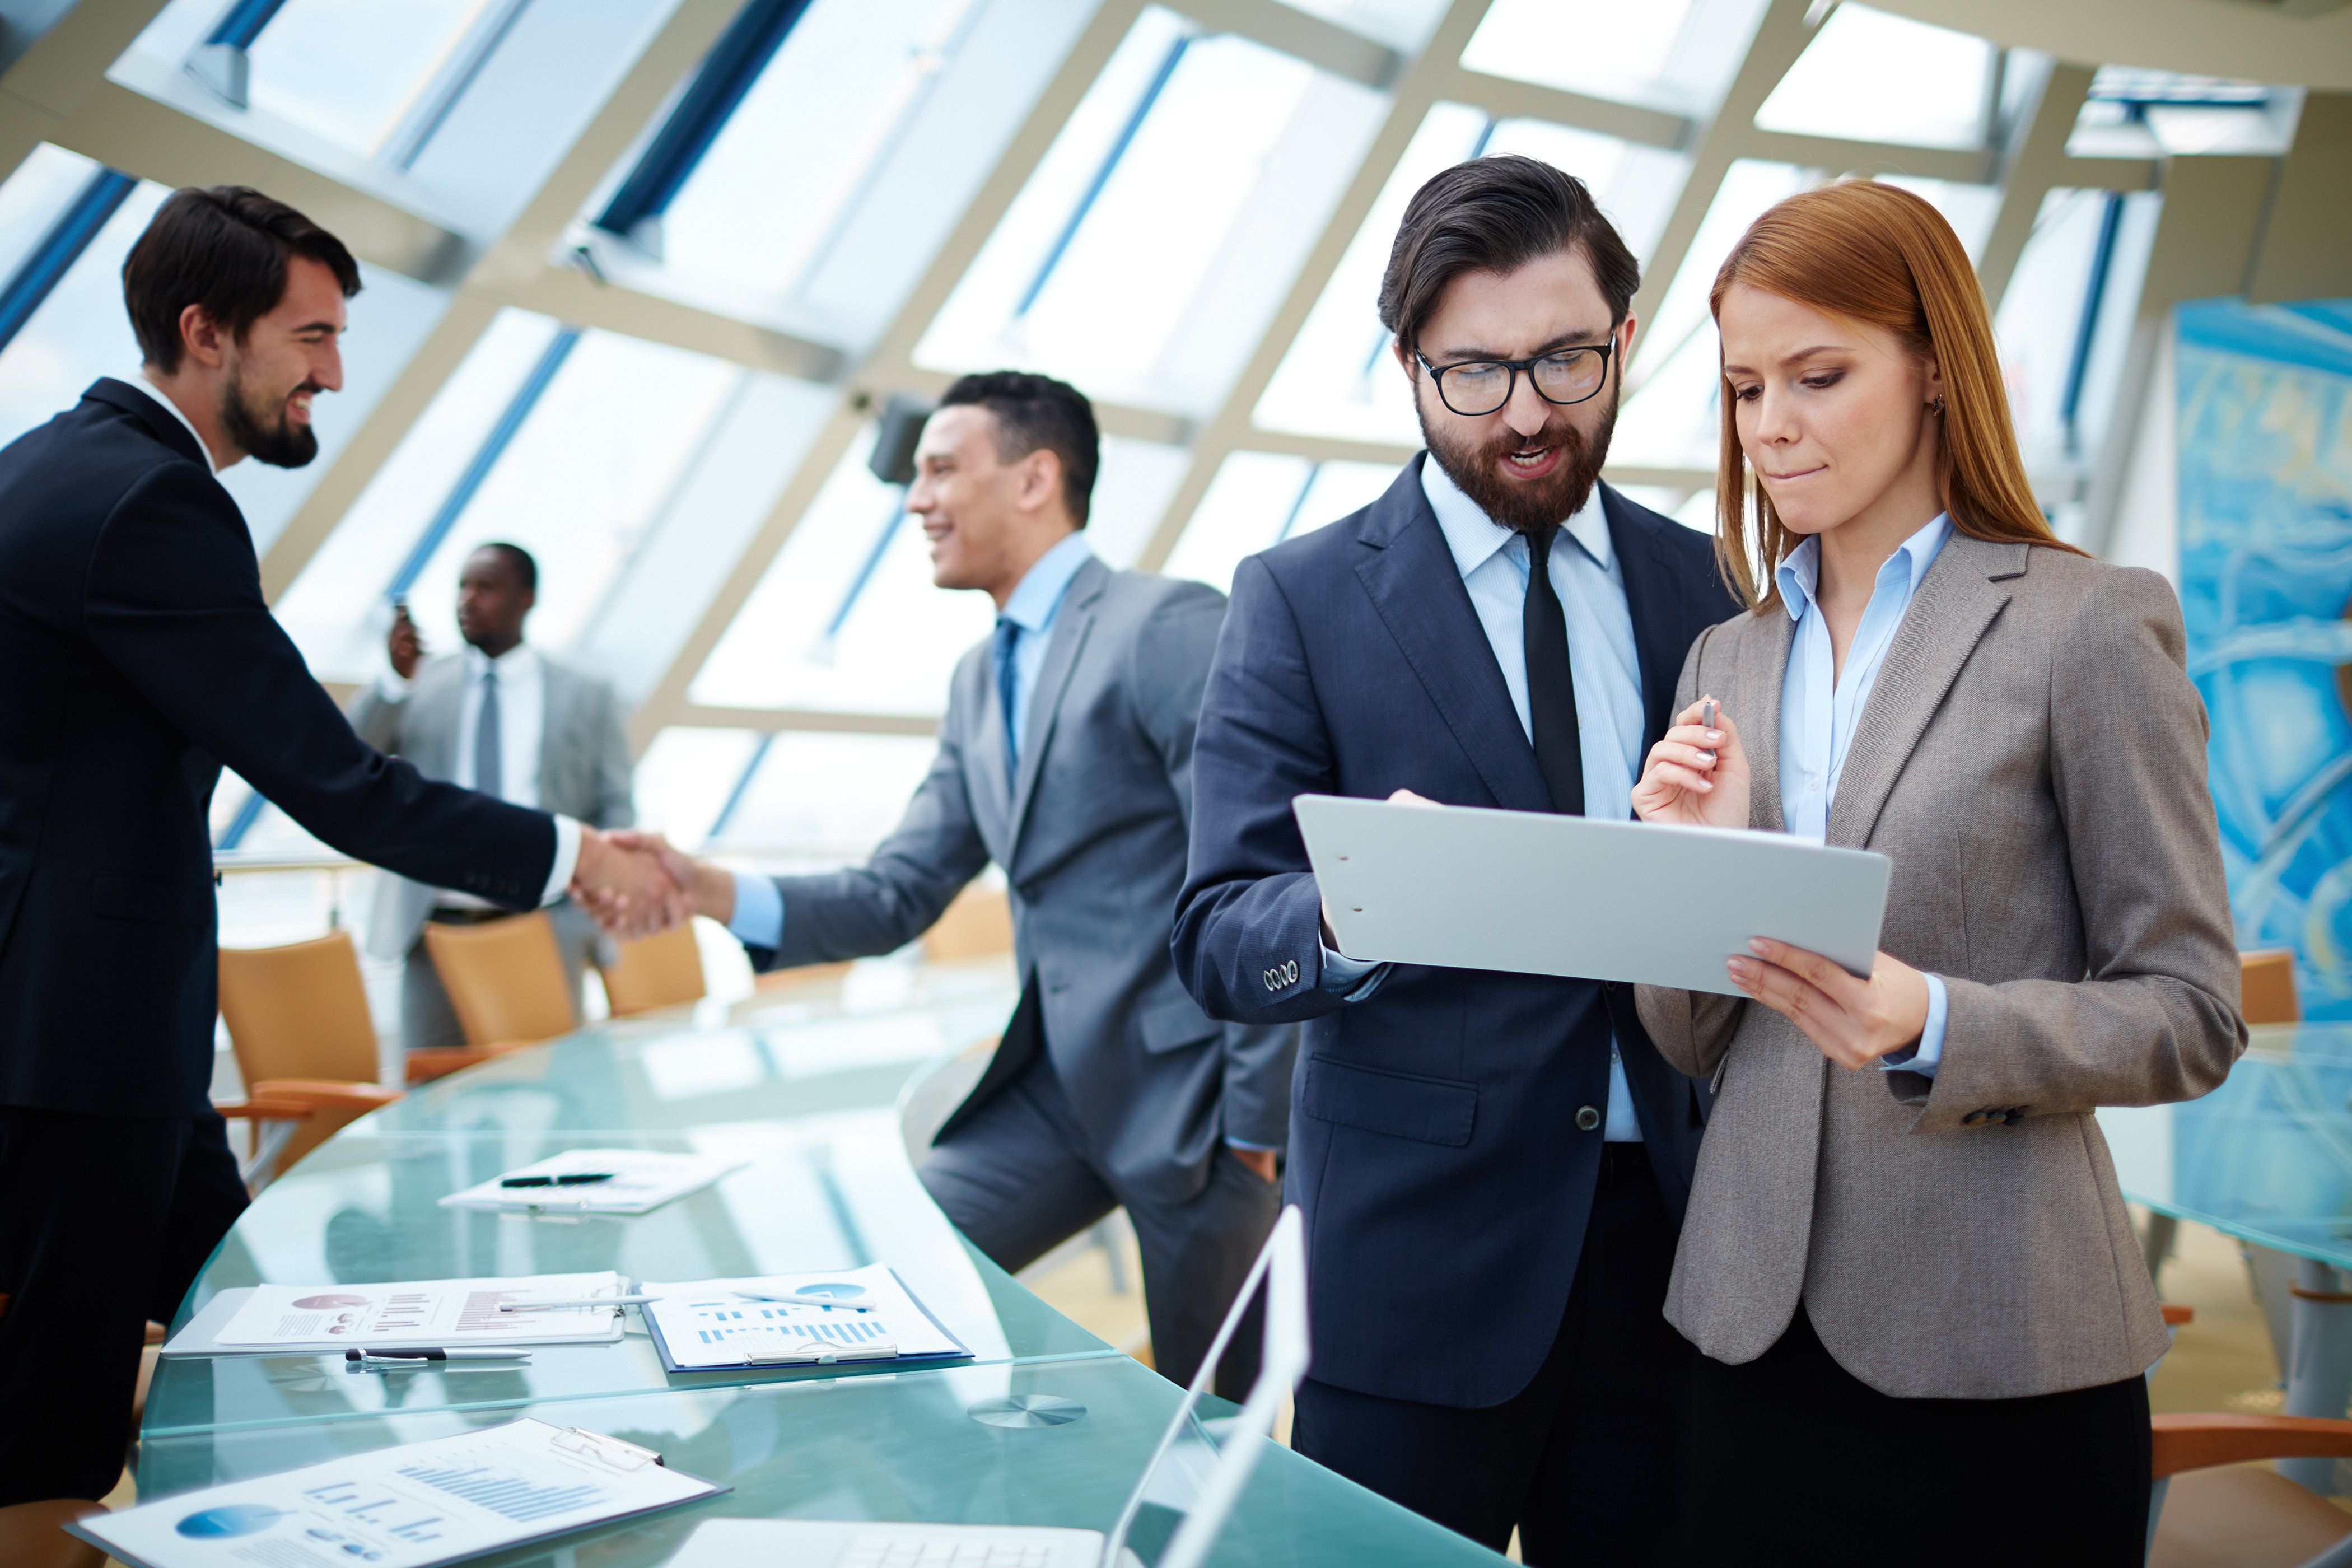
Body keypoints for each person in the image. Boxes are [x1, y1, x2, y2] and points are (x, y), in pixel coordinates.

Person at [0, 185, 675, 1507]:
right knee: (56, 1425)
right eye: (308, 338)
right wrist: (575, 853)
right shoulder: (153, 505)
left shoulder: (41, 464)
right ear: (207, 332)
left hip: (104, 1028)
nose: (335, 372)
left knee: (263, 1320)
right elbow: (343, 788)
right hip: (74, 1044)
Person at [1627, 180, 2243, 1565]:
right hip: (1747, 1326)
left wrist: (1938, 1020)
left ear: (1931, 369)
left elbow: (2192, 1009)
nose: (1772, 424)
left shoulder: (2086, 624)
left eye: (1819, 374)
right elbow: (1693, 1039)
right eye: (1742, 388)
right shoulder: (1728, 658)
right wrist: (1695, 873)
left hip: (2002, 1338)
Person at [1170, 155, 1740, 1563]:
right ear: (1406, 363)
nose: (1531, 412)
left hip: (1680, 1253)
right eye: (1475, 372)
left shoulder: (1713, 588)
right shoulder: (1299, 600)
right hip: (1416, 1271)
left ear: (1625, 334)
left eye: (1566, 359)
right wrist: (1365, 908)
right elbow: (1218, 933)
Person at [613, 371, 1295, 1397]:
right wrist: (708, 890)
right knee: (874, 1299)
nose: (916, 499)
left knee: (1211, 1428)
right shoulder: (981, 679)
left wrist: (1257, 1130)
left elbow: (1264, 872)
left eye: (941, 470)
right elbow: (898, 891)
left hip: (1199, 1115)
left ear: (1034, 480)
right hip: (1058, 1095)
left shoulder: (1164, 627)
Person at [351, 543, 636, 1053]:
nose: (468, 600)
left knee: (554, 1089)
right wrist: (395, 680)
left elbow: (614, 804)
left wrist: (594, 899)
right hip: (433, 929)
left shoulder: (585, 693)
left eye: (485, 587)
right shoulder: (421, 682)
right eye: (462, 586)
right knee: (429, 1093)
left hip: (544, 926)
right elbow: (350, 757)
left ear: (525, 598)